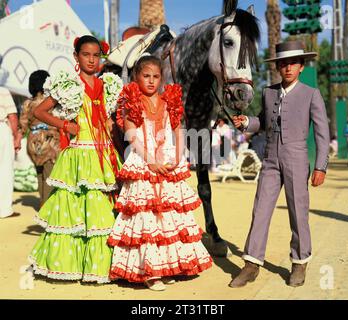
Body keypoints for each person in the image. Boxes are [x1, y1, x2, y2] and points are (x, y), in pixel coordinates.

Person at [230, 40, 330, 288]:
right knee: (260, 209)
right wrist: (245, 122)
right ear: (277, 67)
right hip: (271, 159)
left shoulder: (311, 94)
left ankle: (299, 262)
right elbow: (262, 121)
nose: (287, 67)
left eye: (293, 63)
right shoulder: (268, 92)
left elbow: (322, 133)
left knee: (298, 212)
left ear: (301, 66)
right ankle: (251, 263)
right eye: (283, 63)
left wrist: (320, 166)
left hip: (297, 158)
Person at [108, 55, 212, 291]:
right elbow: (131, 134)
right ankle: (149, 271)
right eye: (146, 76)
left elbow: (177, 128)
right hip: (144, 158)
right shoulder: (131, 100)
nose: (151, 81)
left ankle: (165, 265)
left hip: (166, 158)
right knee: (145, 215)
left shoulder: (169, 100)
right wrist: (150, 160)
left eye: (156, 76)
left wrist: (177, 154)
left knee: (167, 215)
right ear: (136, 77)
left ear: (162, 78)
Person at [28, 35, 123, 283]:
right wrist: (62, 125)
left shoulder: (108, 85)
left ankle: (101, 267)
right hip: (80, 155)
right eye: (86, 55)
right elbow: (39, 111)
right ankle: (73, 265)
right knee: (77, 213)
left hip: (103, 153)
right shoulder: (69, 85)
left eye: (96, 55)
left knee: (102, 212)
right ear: (76, 57)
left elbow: (109, 119)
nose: (91, 60)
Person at [19, 70, 61, 206]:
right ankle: (47, 208)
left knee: (39, 174)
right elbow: (60, 119)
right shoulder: (50, 102)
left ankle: (42, 203)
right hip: (49, 141)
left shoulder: (27, 103)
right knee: (50, 176)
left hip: (33, 142)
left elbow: (23, 125)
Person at [0, 53, 22, 218]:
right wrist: (16, 137)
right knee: (5, 169)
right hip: (2, 130)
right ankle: (4, 209)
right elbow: (12, 116)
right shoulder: (3, 91)